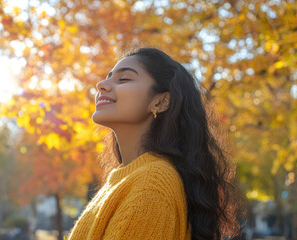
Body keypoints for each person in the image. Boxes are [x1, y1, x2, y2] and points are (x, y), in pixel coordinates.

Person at [67, 47, 246, 240]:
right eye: (108, 77)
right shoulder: (124, 178)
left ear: (160, 102)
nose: (101, 84)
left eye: (124, 79)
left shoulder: (152, 185)